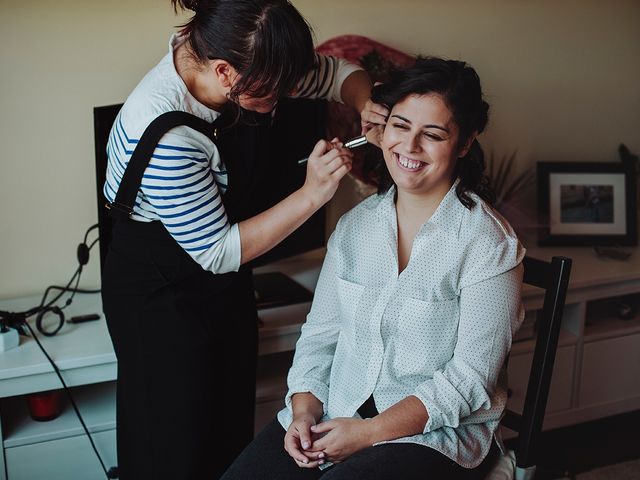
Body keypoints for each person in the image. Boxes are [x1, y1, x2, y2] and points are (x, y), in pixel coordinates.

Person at [100, 1, 383, 478]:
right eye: (275, 91)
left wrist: (365, 106)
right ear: (225, 73)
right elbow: (220, 251)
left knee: (228, 435)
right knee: (172, 447)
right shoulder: (165, 133)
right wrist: (314, 193)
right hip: (159, 295)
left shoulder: (249, 60)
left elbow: (339, 73)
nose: (284, 97)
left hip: (224, 286)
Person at [222, 56, 526, 480]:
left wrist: (369, 434)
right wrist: (303, 411)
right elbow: (320, 336)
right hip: (337, 410)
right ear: (381, 130)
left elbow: (470, 379)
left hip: (434, 435)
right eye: (401, 126)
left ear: (464, 143)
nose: (410, 146)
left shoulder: (488, 243)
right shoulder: (355, 227)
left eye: (432, 134)